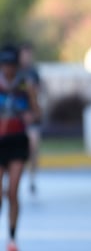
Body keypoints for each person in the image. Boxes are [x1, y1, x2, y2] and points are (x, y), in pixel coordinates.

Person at [0, 45, 40, 251]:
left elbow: (38, 115)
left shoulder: (25, 85)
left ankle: (12, 237)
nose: (8, 69)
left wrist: (32, 102)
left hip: (17, 141)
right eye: (5, 65)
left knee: (13, 191)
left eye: (11, 65)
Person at [16, 43, 42, 195]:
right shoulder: (13, 72)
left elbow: (37, 93)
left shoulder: (33, 72)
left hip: (31, 117)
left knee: (33, 146)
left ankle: (32, 179)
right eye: (24, 54)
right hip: (15, 117)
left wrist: (35, 114)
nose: (27, 57)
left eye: (29, 54)